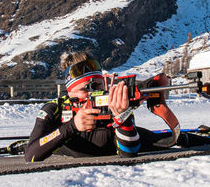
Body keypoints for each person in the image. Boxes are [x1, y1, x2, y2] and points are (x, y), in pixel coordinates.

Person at [23, 52, 182, 162]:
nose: (94, 92)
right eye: (85, 89)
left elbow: (129, 152)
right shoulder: (55, 108)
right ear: (70, 91)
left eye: (98, 85)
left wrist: (122, 117)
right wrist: (72, 126)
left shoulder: (112, 101)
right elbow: (31, 154)